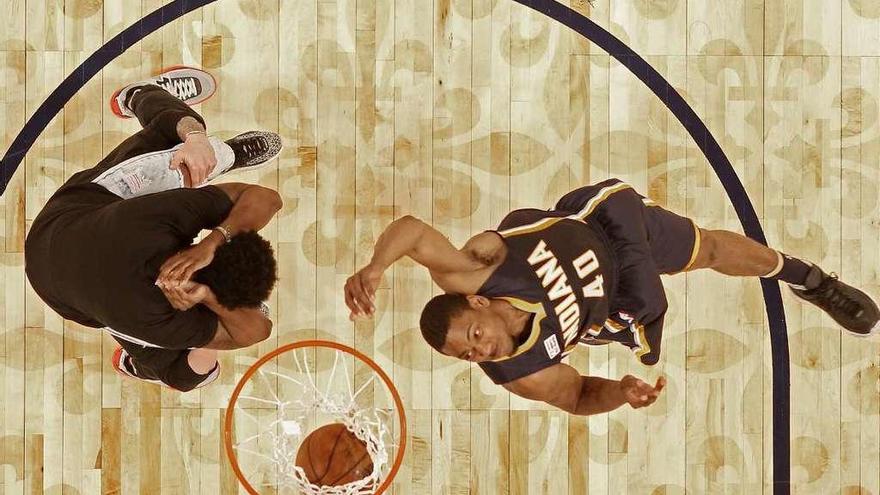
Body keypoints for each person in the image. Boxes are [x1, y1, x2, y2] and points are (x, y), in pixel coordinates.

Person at [345, 179, 880, 415]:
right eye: (468, 354)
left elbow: (414, 232)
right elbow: (576, 396)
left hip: (608, 228)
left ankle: (809, 279)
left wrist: (375, 266)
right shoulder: (523, 372)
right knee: (647, 313)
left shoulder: (478, 273)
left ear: (479, 305)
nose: (477, 351)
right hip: (618, 298)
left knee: (710, 249)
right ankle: (803, 278)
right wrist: (620, 394)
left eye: (473, 336)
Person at [25, 67, 283, 391]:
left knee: (191, 150)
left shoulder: (160, 221)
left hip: (62, 221)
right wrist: (213, 299)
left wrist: (215, 238)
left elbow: (267, 199)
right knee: (188, 376)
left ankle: (194, 135)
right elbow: (255, 330)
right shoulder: (164, 320)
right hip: (59, 288)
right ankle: (140, 96)